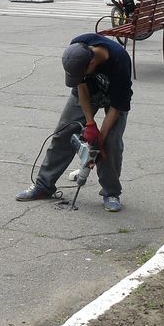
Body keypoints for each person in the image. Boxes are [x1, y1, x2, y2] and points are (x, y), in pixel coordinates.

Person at [15, 34, 132, 212]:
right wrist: (90, 124)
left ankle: (111, 192)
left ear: (92, 64)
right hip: (89, 94)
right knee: (65, 132)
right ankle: (44, 186)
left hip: (115, 99)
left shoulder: (120, 61)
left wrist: (99, 139)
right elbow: (81, 86)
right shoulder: (78, 48)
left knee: (110, 144)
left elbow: (116, 108)